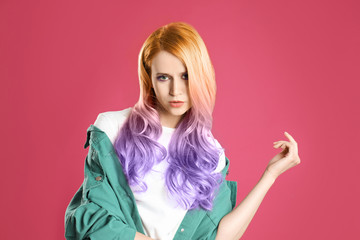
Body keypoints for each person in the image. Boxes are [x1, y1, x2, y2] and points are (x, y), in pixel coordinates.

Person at [64, 22, 301, 240]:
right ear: (150, 79)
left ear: (201, 76)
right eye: (164, 77)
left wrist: (270, 175)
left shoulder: (211, 153)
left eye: (186, 76)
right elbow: (91, 221)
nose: (176, 90)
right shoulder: (112, 128)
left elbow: (219, 236)